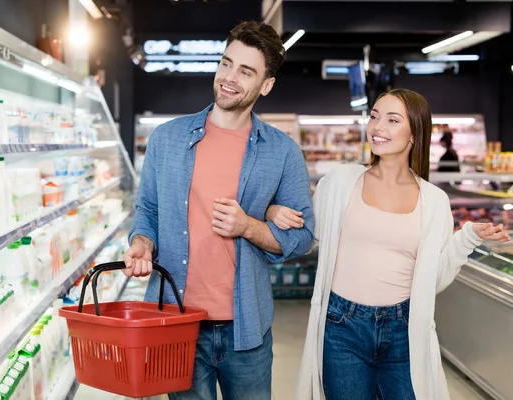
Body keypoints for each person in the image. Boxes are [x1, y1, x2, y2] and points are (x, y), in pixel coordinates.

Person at [267, 89, 509, 400]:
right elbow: (305, 238)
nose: (378, 127)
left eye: (392, 120)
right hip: (342, 328)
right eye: (374, 116)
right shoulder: (340, 183)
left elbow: (430, 281)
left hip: (404, 331)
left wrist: (469, 237)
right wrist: (272, 211)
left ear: (414, 134)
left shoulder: (434, 202)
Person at [123, 21, 314, 400]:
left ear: (266, 85)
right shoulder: (168, 138)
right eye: (226, 63)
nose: (229, 77)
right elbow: (147, 210)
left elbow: (302, 238)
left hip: (246, 328)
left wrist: (248, 226)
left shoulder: (282, 151)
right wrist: (143, 242)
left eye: (246, 71)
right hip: (177, 321)